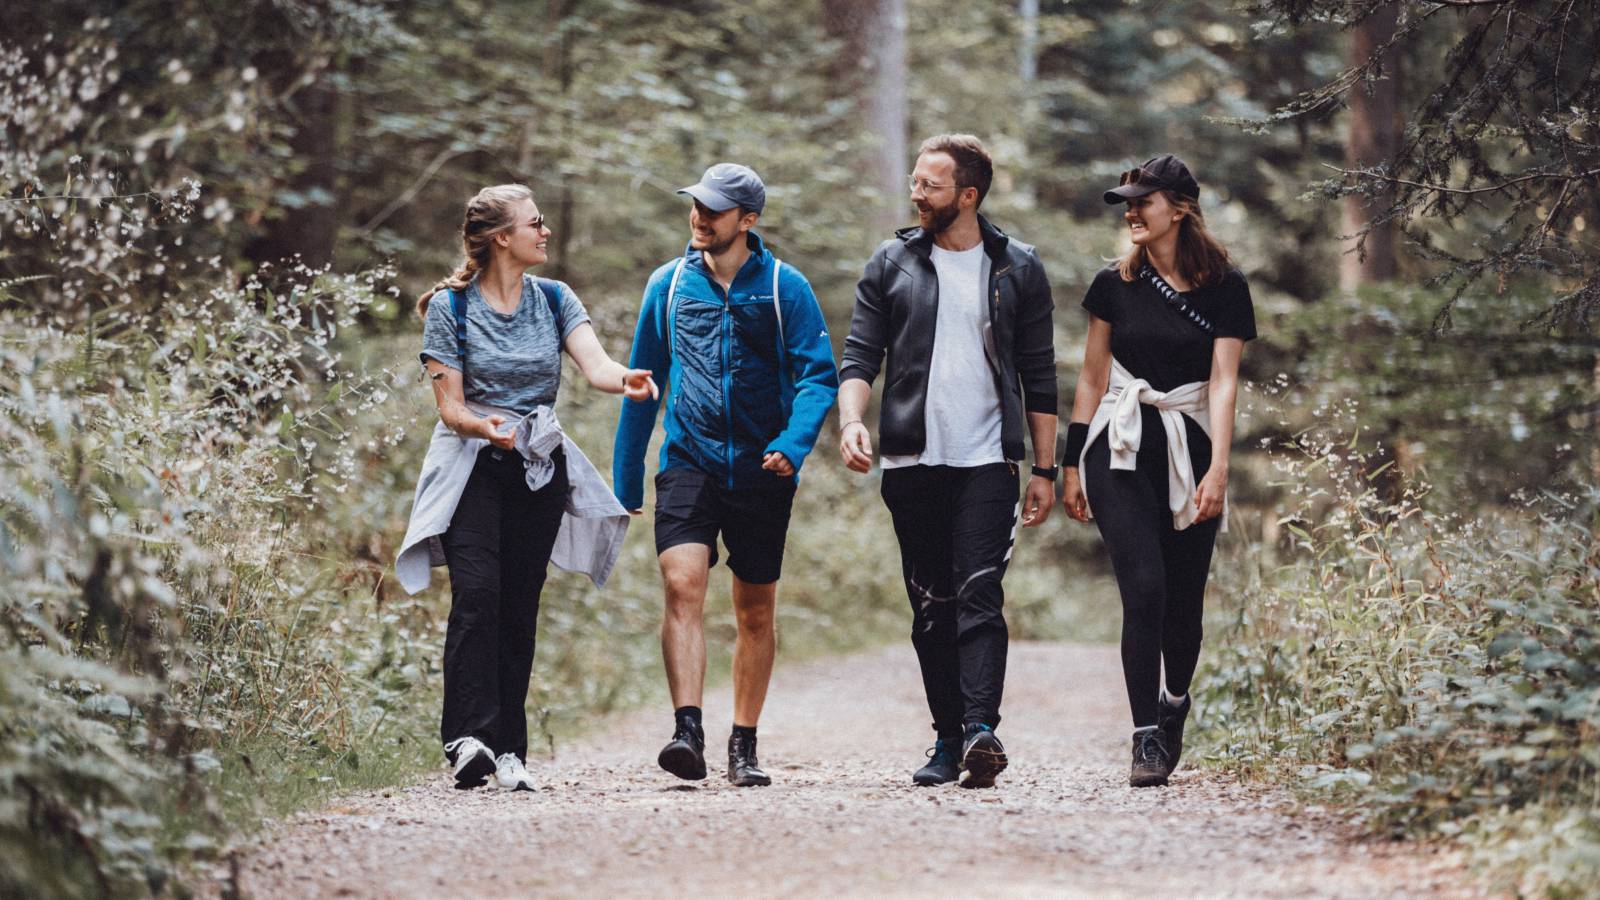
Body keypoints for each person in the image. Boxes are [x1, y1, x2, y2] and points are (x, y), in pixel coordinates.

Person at [396, 184, 657, 791]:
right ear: (501, 238)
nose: (545, 232)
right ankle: (467, 740)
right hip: (472, 466)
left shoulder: (556, 298)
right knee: (477, 595)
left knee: (518, 604)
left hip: (539, 465)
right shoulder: (452, 308)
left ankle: (510, 749)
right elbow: (450, 408)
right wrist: (484, 428)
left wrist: (627, 379)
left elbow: (596, 366)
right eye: (534, 224)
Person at [837, 134, 1058, 789]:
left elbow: (1039, 375)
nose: (916, 193)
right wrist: (852, 420)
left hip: (989, 460)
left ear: (967, 195)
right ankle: (947, 738)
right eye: (915, 181)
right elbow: (859, 355)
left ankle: (982, 729)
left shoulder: (1018, 267)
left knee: (979, 595)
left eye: (929, 185)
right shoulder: (891, 263)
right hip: (911, 462)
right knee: (931, 606)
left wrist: (1045, 469)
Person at [613, 163, 839, 787]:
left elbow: (818, 376)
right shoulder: (668, 284)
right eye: (696, 205)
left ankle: (744, 743)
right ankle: (687, 730)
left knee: (754, 611)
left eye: (714, 210)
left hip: (764, 469)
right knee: (681, 584)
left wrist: (793, 444)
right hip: (689, 459)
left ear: (748, 219)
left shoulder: (785, 288)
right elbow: (643, 381)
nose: (699, 217)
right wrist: (625, 477)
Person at [1059, 154, 1255, 787]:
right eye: (1128, 204)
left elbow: (1222, 383)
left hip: (1190, 442)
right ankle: (1145, 735)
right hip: (1119, 444)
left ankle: (1173, 703)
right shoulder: (1112, 283)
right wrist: (1070, 462)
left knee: (1183, 599)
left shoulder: (1226, 287)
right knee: (1143, 586)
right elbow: (1092, 378)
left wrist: (1219, 468)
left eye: (1144, 201)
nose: (1132, 213)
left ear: (1181, 208)